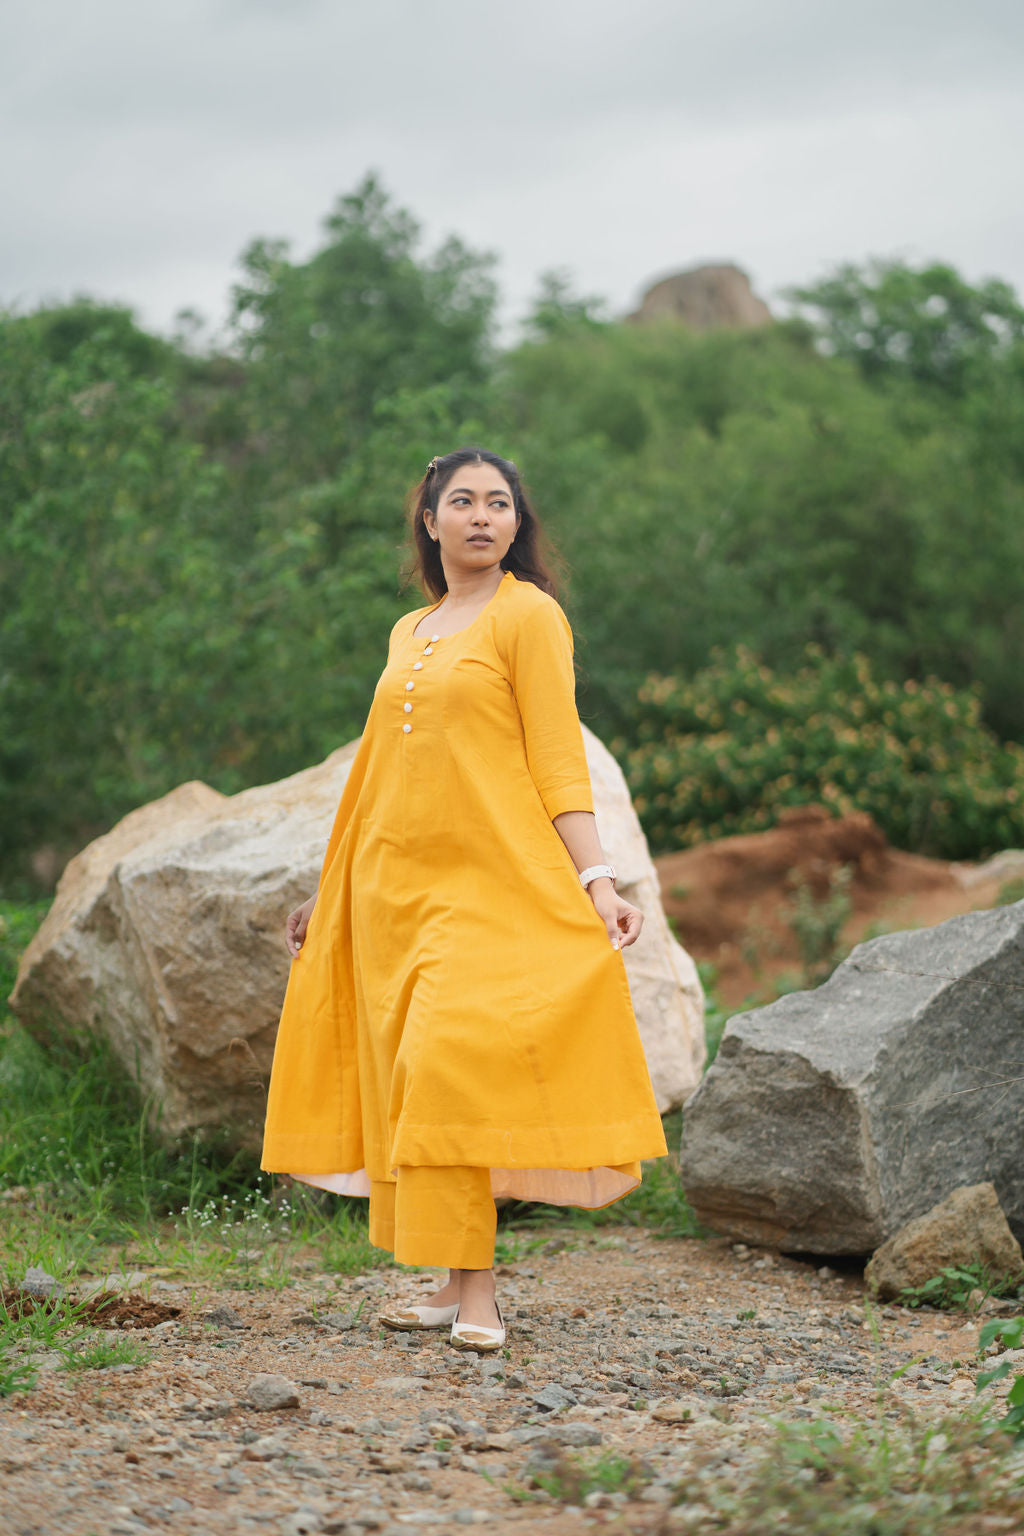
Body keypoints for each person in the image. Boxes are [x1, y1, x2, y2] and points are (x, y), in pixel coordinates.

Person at [260, 446, 667, 1352]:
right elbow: (374, 774)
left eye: (500, 503)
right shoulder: (412, 630)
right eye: (463, 501)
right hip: (393, 893)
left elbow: (558, 756)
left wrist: (598, 879)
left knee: (447, 1071)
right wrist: (326, 892)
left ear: (517, 525)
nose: (484, 516)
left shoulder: (531, 617)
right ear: (430, 521)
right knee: (410, 1079)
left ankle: (480, 1294)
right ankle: (448, 1283)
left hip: (495, 888)